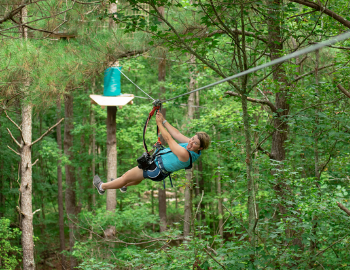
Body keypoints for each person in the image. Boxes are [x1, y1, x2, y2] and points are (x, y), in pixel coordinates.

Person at [93, 111, 210, 194]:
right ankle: (123, 185)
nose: (190, 142)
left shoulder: (186, 155)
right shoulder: (191, 147)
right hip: (157, 168)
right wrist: (164, 121)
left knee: (125, 176)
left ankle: (101, 186)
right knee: (137, 178)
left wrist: (159, 124)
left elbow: (169, 139)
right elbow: (177, 134)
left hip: (155, 168)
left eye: (195, 143)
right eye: (192, 139)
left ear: (200, 148)